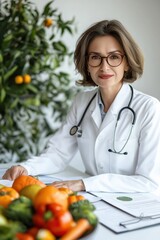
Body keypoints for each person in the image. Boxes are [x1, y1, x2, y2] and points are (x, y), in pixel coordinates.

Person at [2, 19, 160, 193]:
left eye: (114, 57)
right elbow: (58, 154)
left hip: (138, 206)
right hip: (95, 200)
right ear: (87, 63)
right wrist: (26, 168)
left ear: (127, 62)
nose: (104, 67)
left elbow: (148, 181)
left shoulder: (149, 108)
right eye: (95, 57)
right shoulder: (82, 102)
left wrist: (85, 184)